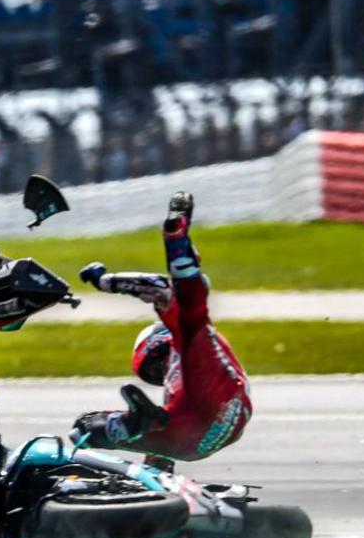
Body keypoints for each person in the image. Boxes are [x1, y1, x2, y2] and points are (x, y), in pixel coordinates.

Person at [69, 191, 251, 472]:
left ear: (158, 343)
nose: (162, 374)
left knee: (190, 316)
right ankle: (133, 440)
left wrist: (106, 281)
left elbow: (163, 289)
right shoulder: (176, 388)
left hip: (210, 411)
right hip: (205, 433)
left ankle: (176, 239)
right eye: (155, 374)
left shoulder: (181, 340)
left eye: (155, 366)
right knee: (84, 430)